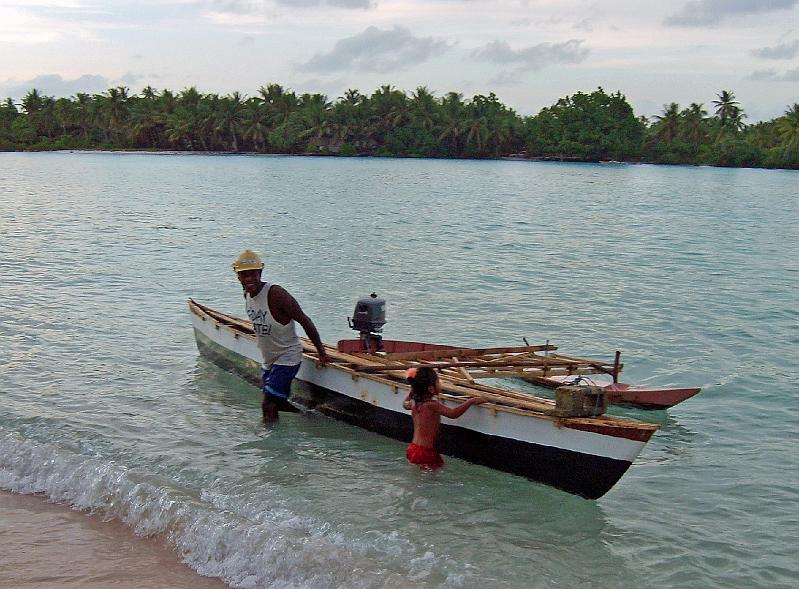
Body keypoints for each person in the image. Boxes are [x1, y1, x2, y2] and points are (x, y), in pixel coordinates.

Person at [232, 249, 329, 421]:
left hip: (287, 357)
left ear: (260, 273)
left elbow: (304, 320)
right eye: (243, 275)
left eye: (252, 274)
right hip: (269, 360)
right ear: (238, 276)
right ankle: (309, 419)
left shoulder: (276, 294)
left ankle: (269, 444)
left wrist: (321, 352)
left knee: (268, 403)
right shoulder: (247, 294)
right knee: (277, 401)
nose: (248, 279)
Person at [402, 366, 487, 469]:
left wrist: (411, 393)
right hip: (425, 451)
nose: (440, 385)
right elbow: (453, 414)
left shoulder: (413, 403)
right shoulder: (432, 405)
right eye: (438, 382)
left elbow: (404, 404)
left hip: (413, 448)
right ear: (431, 389)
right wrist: (471, 401)